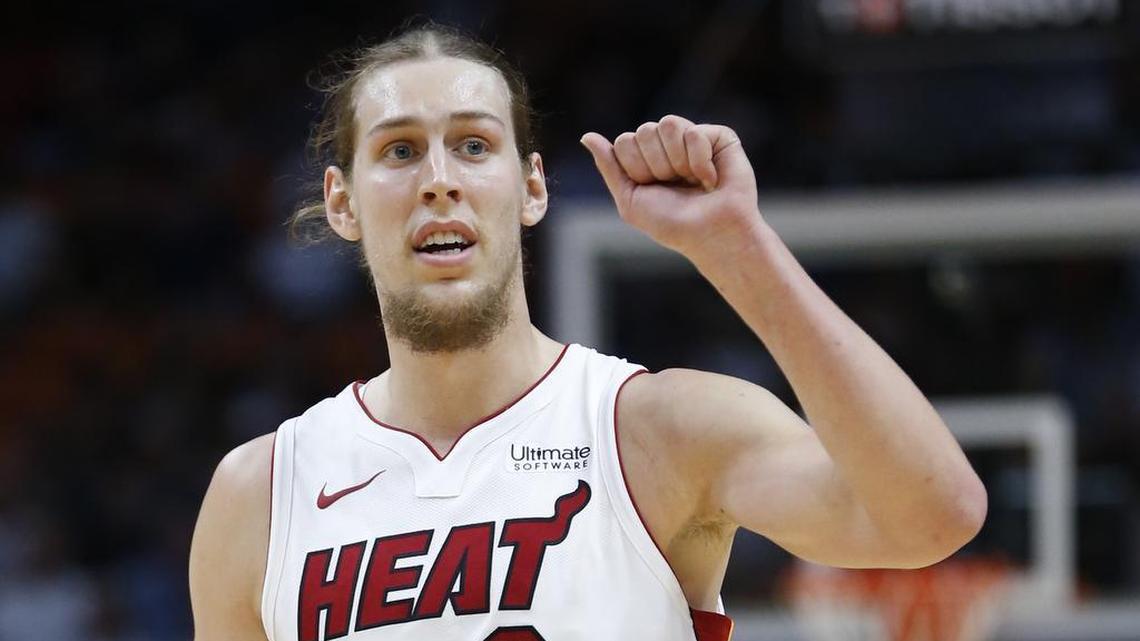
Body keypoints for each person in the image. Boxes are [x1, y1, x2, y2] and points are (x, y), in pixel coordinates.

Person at [188, 23, 987, 641]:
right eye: (400, 151)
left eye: (474, 145)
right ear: (343, 202)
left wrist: (737, 247)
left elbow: (934, 514)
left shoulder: (653, 429)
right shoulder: (260, 493)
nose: (439, 181)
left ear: (531, 187)